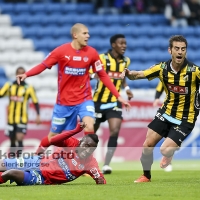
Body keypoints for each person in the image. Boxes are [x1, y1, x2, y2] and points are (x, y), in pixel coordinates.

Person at [16, 23, 131, 156]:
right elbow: (43, 65)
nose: (88, 36)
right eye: (85, 33)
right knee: (52, 137)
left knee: (89, 126)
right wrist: (26, 74)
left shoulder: (92, 53)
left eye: (88, 33)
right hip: (64, 103)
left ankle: (85, 163)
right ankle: (36, 156)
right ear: (75, 35)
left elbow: (103, 75)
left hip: (84, 99)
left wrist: (118, 96)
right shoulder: (61, 51)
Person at [120, 35, 200, 182]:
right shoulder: (162, 68)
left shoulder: (194, 71)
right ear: (170, 50)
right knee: (147, 145)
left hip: (185, 118)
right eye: (177, 48)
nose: (180, 52)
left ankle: (168, 155)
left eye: (183, 49)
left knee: (165, 149)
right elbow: (139, 74)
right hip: (166, 112)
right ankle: (146, 176)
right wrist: (129, 74)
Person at [0, 122, 106, 185]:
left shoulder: (90, 163)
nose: (87, 151)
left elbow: (100, 179)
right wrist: (75, 130)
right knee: (2, 164)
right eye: (86, 146)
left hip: (42, 178)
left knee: (11, 173)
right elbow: (53, 140)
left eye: (91, 149)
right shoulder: (72, 143)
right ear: (80, 142)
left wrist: (100, 180)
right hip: (36, 161)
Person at [90, 34, 133, 174]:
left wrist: (127, 89)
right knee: (91, 135)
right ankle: (83, 163)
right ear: (113, 45)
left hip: (114, 102)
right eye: (121, 43)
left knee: (115, 130)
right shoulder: (102, 58)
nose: (124, 46)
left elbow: (122, 77)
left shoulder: (126, 61)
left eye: (125, 43)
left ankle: (107, 164)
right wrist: (95, 75)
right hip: (97, 101)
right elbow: (90, 72)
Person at [0, 67, 40, 157]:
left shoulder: (29, 88)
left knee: (20, 138)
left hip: (22, 118)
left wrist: (38, 115)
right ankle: (12, 160)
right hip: (11, 118)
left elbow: (35, 101)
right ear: (16, 74)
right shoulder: (9, 85)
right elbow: (1, 94)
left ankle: (19, 160)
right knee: (12, 140)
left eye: (22, 73)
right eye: (19, 73)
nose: (20, 76)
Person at [153, 81, 173, 172]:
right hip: (169, 110)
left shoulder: (191, 73)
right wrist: (157, 98)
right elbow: (161, 85)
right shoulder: (167, 72)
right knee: (168, 136)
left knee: (175, 139)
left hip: (186, 112)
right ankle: (168, 158)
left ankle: (169, 155)